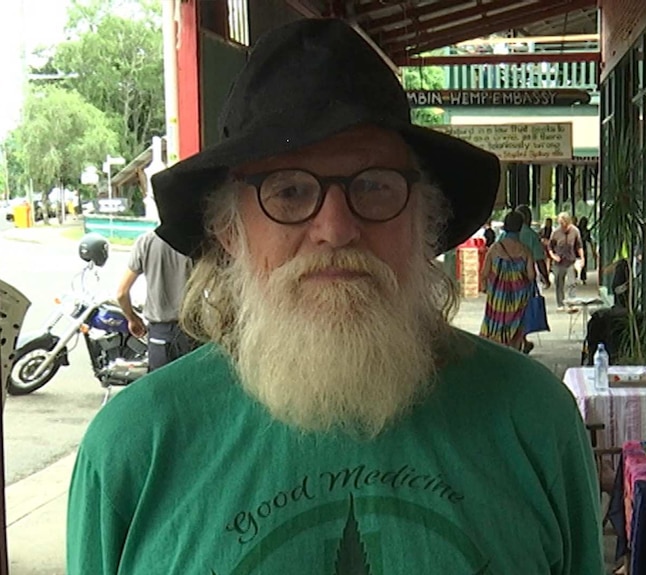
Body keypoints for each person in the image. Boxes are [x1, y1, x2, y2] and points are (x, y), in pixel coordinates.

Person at [67, 19, 603, 574]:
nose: (336, 227)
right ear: (230, 230)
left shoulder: (535, 421)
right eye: (290, 191)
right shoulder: (132, 452)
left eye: (373, 185)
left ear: (425, 219)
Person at [116, 229, 195, 371]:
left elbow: (122, 293)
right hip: (192, 333)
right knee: (189, 390)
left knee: (162, 390)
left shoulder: (146, 242)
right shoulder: (195, 243)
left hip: (160, 335)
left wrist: (132, 318)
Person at [479, 210, 535, 352]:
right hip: (519, 298)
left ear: (504, 226)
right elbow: (532, 276)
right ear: (520, 227)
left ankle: (496, 355)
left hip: (497, 298)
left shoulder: (494, 249)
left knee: (494, 329)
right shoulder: (525, 251)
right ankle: (514, 355)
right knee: (516, 330)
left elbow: (484, 273)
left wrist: (486, 287)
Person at [548, 212, 585, 310]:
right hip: (559, 262)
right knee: (559, 283)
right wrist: (553, 256)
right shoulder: (555, 233)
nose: (562, 226)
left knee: (572, 283)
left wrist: (582, 258)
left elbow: (579, 246)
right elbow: (550, 247)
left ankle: (571, 303)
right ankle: (560, 304)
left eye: (563, 223)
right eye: (560, 223)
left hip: (570, 261)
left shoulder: (575, 231)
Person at [514, 204, 551, 290]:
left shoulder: (505, 234)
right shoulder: (532, 236)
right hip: (526, 278)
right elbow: (539, 260)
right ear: (528, 218)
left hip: (507, 279)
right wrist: (546, 278)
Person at [577, 216, 597, 284]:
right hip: (576, 247)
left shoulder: (586, 231)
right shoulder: (577, 230)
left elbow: (590, 241)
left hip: (583, 248)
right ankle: (576, 275)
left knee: (584, 263)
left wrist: (593, 251)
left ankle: (583, 277)